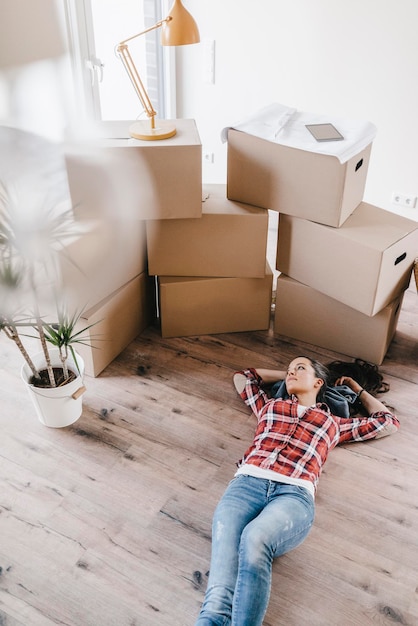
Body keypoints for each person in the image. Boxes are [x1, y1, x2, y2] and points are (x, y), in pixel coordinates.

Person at [195, 356, 400, 626]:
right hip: (246, 485)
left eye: (299, 368)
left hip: (293, 496)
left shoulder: (333, 423)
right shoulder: (270, 406)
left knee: (255, 538)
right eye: (289, 370)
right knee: (217, 600)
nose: (291, 372)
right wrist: (289, 374)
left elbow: (387, 421)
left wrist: (353, 386)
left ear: (318, 382)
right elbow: (243, 377)